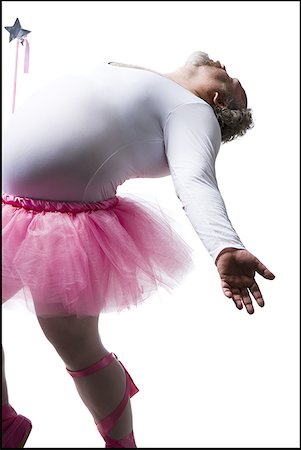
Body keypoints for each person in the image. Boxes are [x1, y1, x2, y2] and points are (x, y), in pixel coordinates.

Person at [2, 50, 275, 448]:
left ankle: (121, 444)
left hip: (67, 229)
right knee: (71, 342)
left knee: (75, 345)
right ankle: (5, 426)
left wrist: (224, 246)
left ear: (219, 101)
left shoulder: (192, 111)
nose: (226, 66)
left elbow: (194, 178)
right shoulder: (134, 70)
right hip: (11, 209)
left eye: (233, 79)